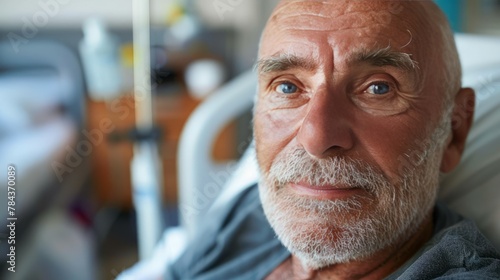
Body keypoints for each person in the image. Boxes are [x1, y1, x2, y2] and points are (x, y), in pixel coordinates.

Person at [166, 1, 500, 279]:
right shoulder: (250, 213)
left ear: (454, 130)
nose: (317, 138)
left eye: (378, 88)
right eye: (287, 87)